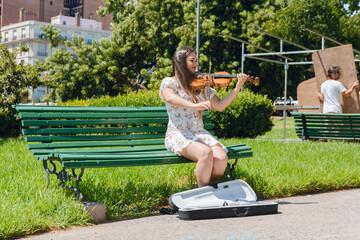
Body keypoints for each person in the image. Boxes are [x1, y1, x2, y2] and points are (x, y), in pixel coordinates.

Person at [159, 46, 249, 187]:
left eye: (196, 60)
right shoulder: (170, 83)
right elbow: (169, 97)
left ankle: (207, 188)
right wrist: (195, 106)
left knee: (221, 158)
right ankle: (202, 193)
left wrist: (237, 88)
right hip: (179, 134)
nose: (196, 64)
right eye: (192, 60)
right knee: (206, 153)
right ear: (181, 62)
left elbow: (219, 106)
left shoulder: (201, 84)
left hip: (199, 133)